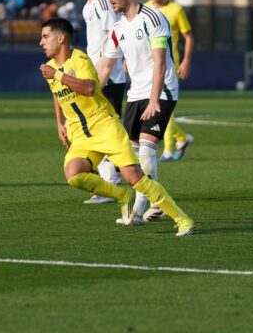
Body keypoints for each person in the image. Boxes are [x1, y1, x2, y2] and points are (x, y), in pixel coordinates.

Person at [38, 17, 194, 236]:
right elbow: (56, 94)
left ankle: (182, 219)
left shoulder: (79, 58)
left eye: (45, 37)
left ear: (61, 38)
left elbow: (90, 88)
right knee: (74, 175)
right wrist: (59, 123)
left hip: (105, 126)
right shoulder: (51, 68)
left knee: (134, 177)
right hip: (81, 133)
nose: (41, 42)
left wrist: (58, 75)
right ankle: (122, 196)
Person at [99, 0, 181, 224]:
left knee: (146, 151)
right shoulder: (118, 27)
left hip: (162, 91)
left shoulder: (153, 18)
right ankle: (154, 202)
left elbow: (160, 63)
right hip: (135, 95)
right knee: (132, 157)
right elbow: (105, 66)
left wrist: (155, 99)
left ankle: (139, 210)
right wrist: (90, 95)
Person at [72, 0, 129, 205]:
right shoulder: (89, 6)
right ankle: (110, 180)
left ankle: (112, 183)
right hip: (98, 76)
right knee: (101, 129)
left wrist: (103, 74)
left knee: (105, 129)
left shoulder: (103, 4)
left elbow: (114, 36)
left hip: (109, 78)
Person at [144, 0, 195, 162]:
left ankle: (168, 149)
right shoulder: (146, 9)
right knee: (155, 105)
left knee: (164, 106)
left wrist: (186, 60)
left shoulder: (175, 10)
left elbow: (188, 36)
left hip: (169, 66)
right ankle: (181, 138)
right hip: (148, 66)